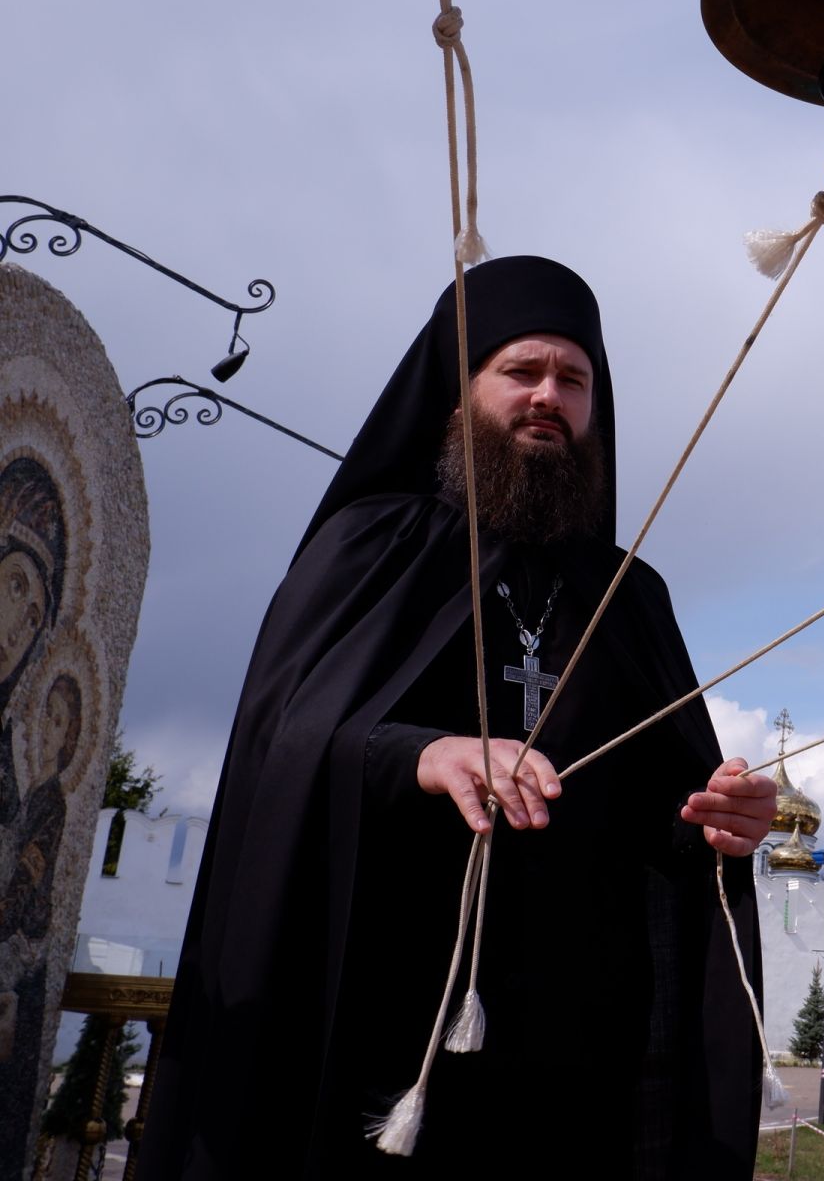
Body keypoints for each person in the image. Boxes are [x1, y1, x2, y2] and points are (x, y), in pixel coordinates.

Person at [143, 256, 778, 1180]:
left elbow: (661, 817)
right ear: (457, 392)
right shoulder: (371, 547)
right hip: (375, 1032)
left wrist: (719, 822)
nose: (548, 397)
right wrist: (421, 755)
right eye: (521, 372)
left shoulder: (629, 599)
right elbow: (281, 748)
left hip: (576, 1059)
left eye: (573, 379)